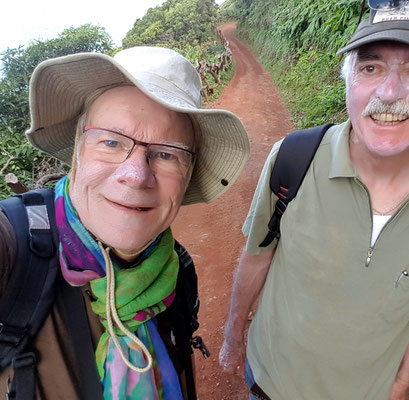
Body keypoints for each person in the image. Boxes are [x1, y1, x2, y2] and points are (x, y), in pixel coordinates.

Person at [220, 1, 409, 399]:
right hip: (271, 381)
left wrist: (402, 382)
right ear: (348, 83)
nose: (388, 92)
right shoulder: (294, 159)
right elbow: (257, 255)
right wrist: (232, 336)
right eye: (371, 67)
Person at [0, 46, 249, 399]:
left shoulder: (173, 271)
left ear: (188, 176)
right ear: (77, 151)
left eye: (166, 154)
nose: (136, 175)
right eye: (112, 141)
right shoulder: (14, 248)